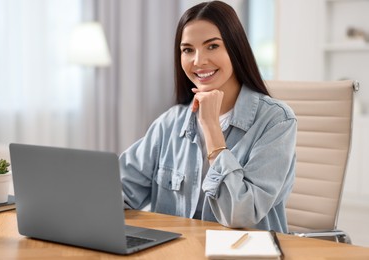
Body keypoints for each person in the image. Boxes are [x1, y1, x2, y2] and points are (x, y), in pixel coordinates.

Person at [119, 0, 297, 233]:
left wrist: (211, 127)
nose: (198, 61)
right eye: (188, 50)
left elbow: (240, 215)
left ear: (235, 48)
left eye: (212, 46)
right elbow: (119, 191)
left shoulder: (277, 121)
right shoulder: (170, 122)